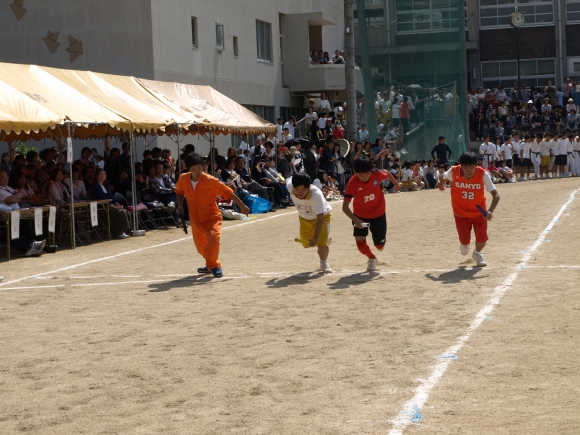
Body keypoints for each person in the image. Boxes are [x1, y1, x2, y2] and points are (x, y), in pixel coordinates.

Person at [176, 153, 249, 278]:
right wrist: (180, 205)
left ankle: (214, 265)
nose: (197, 172)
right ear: (188, 170)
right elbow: (179, 191)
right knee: (201, 246)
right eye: (193, 170)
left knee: (213, 239)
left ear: (204, 166)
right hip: (195, 218)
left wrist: (242, 206)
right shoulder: (183, 178)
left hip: (212, 217)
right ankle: (210, 263)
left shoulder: (210, 180)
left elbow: (228, 192)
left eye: (199, 168)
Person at [438, 152, 500, 267]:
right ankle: (465, 244)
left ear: (477, 165)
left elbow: (496, 195)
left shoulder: (482, 174)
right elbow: (443, 176)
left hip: (479, 212)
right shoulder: (454, 171)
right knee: (464, 244)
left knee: (482, 239)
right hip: (460, 213)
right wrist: (441, 184)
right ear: (461, 166)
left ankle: (477, 253)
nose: (468, 170)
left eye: (471, 167)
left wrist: (490, 211)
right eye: (465, 167)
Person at [342, 157, 400, 272]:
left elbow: (387, 173)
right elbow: (345, 207)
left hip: (378, 214)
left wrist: (396, 184)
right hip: (360, 216)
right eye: (361, 175)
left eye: (367, 174)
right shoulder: (352, 183)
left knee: (379, 246)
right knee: (360, 245)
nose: (364, 177)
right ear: (355, 172)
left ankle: (379, 244)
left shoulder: (377, 174)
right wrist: (356, 220)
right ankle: (372, 258)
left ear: (371, 170)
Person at [287, 172, 333, 273]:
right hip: (304, 219)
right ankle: (324, 239)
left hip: (322, 217)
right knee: (307, 244)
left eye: (303, 189)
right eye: (297, 189)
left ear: (309, 187)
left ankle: (324, 262)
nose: (300, 192)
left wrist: (316, 238)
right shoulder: (290, 186)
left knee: (321, 244)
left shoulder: (316, 194)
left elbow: (320, 217)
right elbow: (288, 179)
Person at [91, 168, 131, 239]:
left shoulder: (105, 186)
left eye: (104, 174)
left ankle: (123, 231)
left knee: (126, 211)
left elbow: (112, 198)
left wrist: (118, 205)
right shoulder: (96, 186)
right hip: (102, 209)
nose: (103, 176)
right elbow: (103, 199)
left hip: (110, 208)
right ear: (96, 176)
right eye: (101, 174)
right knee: (121, 213)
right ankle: (117, 233)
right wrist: (115, 207)